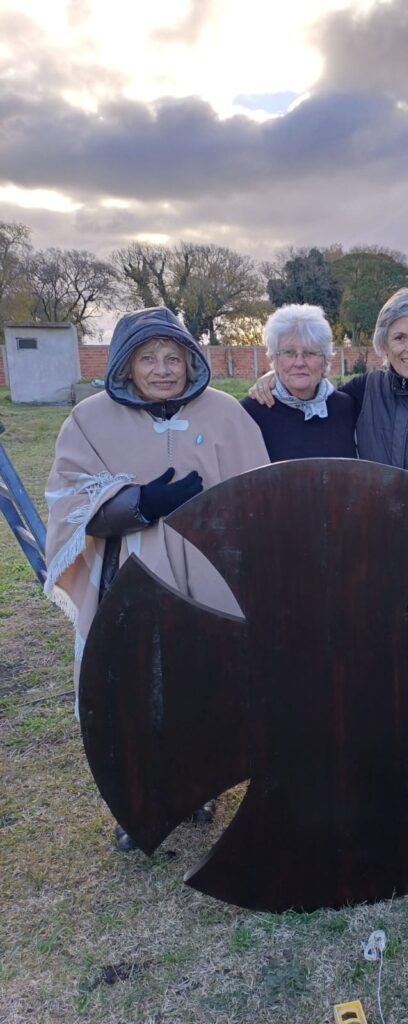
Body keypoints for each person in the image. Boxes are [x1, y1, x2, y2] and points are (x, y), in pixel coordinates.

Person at [249, 288, 408, 828]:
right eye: (398, 337)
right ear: (382, 344)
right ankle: (380, 761)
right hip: (372, 559)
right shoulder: (360, 393)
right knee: (369, 666)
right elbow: (306, 392)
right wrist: (270, 382)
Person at [45, 306, 270, 848]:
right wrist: (138, 502)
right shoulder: (89, 419)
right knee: (135, 686)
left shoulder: (225, 414)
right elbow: (67, 498)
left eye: (173, 357)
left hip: (213, 573)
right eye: (149, 358)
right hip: (134, 577)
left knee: (205, 680)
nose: (163, 369)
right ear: (126, 365)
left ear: (191, 360)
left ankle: (202, 785)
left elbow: (263, 490)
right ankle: (136, 801)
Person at [241, 304, 356, 459]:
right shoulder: (250, 413)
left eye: (310, 353)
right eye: (289, 353)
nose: (299, 362)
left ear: (325, 359)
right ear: (274, 358)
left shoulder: (346, 407)